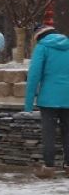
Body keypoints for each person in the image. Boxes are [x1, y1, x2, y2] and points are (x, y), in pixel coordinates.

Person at [23, 24, 69, 179]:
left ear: (38, 37)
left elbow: (34, 75)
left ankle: (49, 167)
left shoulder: (42, 47)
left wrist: (28, 104)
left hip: (49, 99)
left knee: (49, 134)